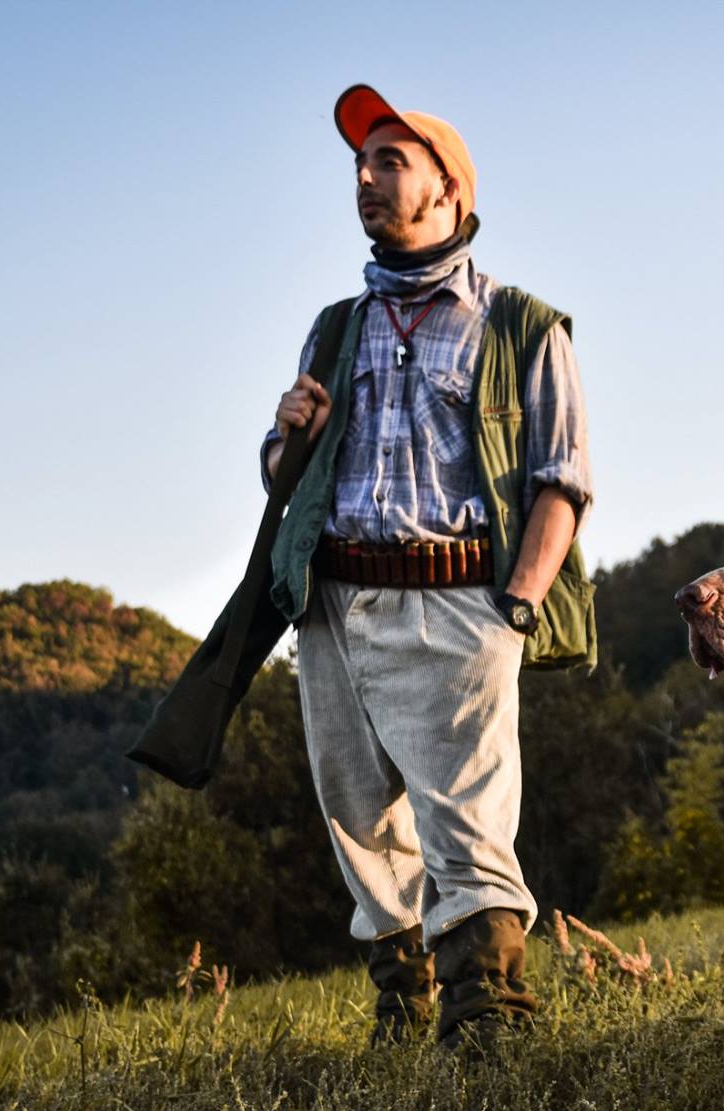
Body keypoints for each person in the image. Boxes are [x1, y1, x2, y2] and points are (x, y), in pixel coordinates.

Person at [261, 84, 595, 1049]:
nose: (365, 178)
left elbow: (561, 483)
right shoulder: (334, 328)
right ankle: (402, 1007)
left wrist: (514, 611)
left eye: (388, 162)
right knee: (359, 824)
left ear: (448, 189)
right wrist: (286, 440)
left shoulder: (525, 325)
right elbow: (282, 479)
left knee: (470, 826)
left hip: (458, 602)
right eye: (359, 165)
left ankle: (488, 1024)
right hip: (334, 607)